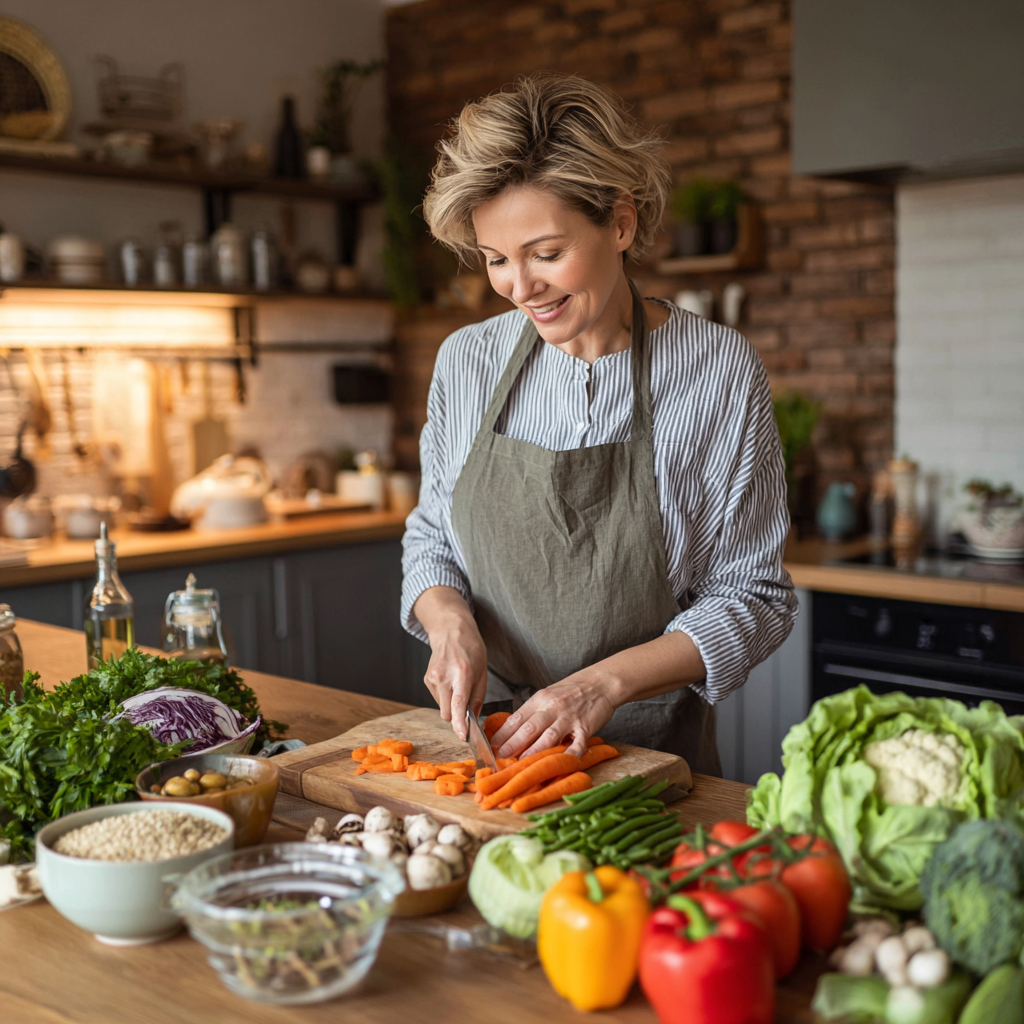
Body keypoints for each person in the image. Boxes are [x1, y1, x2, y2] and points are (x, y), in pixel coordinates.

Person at [400, 73, 796, 775]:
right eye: (496, 260)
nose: (520, 287)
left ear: (621, 222)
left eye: (546, 253)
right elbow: (434, 537)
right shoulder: (466, 363)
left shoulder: (718, 371)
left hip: (646, 762)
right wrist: (449, 624)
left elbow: (753, 595)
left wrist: (599, 686)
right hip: (491, 754)